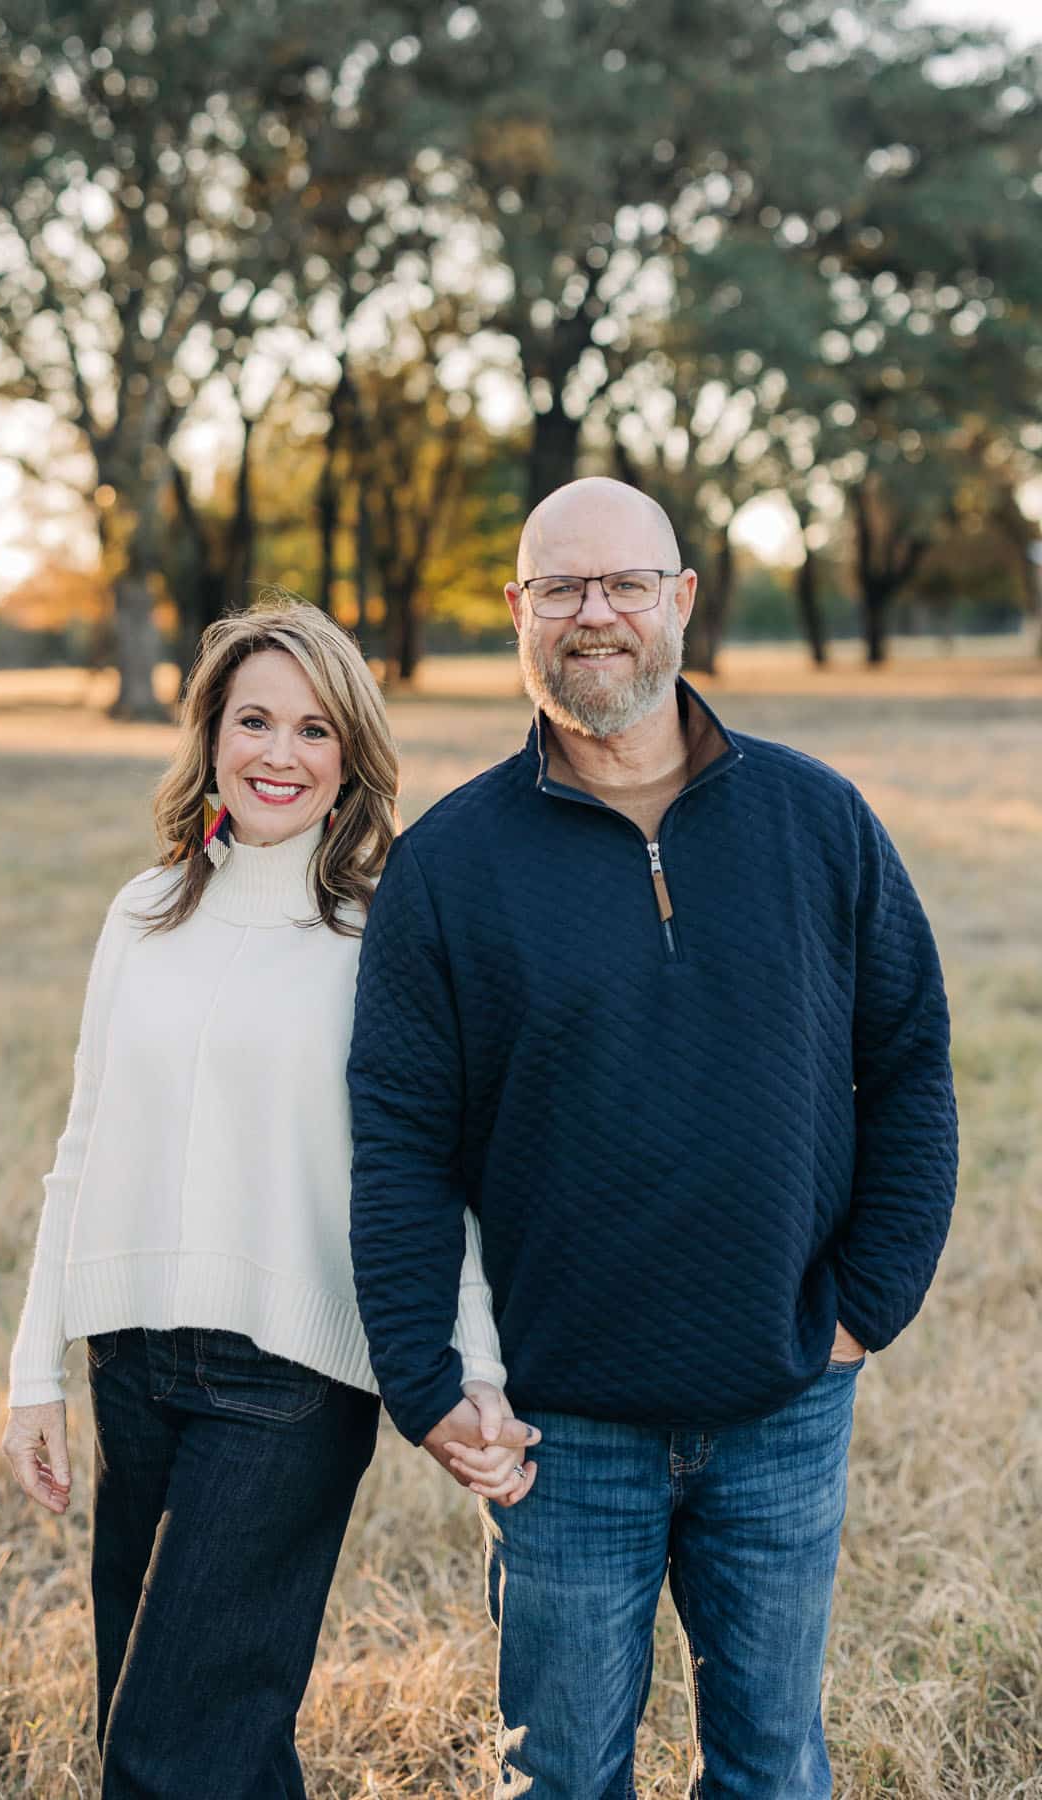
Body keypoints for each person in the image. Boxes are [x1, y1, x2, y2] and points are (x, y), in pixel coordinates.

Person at [347, 480, 959, 1798]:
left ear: (681, 600)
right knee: (560, 1777)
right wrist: (426, 1377)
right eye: (560, 589)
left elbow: (909, 1062)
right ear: (518, 614)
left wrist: (865, 1309)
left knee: (774, 1769)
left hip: (785, 1397)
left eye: (625, 584)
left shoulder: (818, 821)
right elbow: (398, 1139)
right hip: (563, 1428)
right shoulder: (450, 866)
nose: (595, 615)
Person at [2, 602, 537, 1800]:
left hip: (290, 1383)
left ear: (351, 757)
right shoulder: (142, 914)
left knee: (164, 1755)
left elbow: (434, 1175)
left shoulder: (381, 934)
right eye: (253, 720)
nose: (278, 754)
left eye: (312, 728)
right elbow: (81, 1144)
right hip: (130, 1365)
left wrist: (478, 1366)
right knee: (190, 1740)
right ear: (211, 735)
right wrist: (35, 1372)